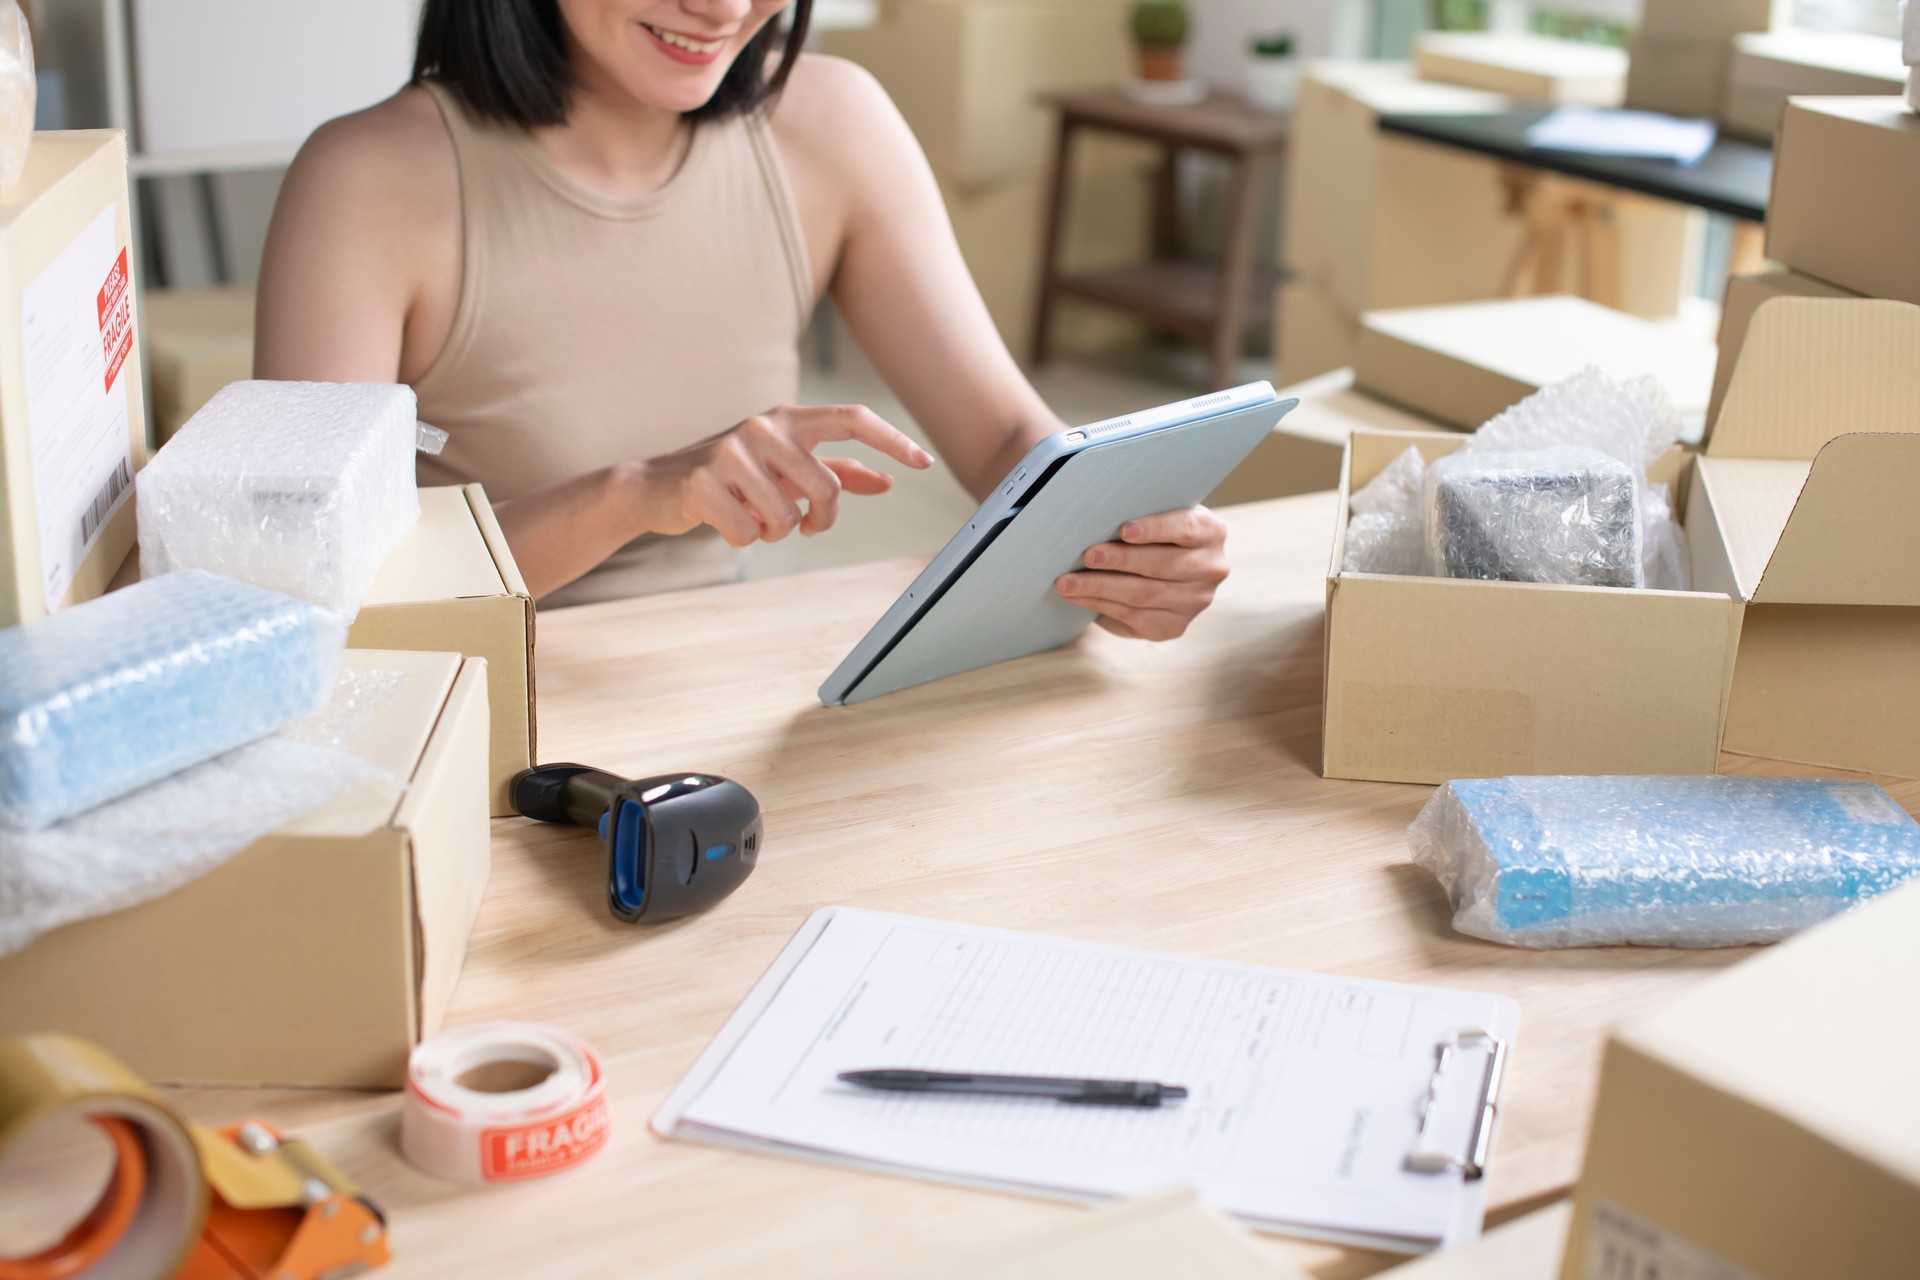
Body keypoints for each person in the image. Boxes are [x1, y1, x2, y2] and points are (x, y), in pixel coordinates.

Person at [255, 0, 1230, 639]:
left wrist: (1130, 544)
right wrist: (631, 494)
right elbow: (315, 586)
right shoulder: (367, 184)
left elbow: (1007, 437)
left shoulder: (832, 121)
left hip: (721, 691)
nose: (722, 8)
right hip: (479, 718)